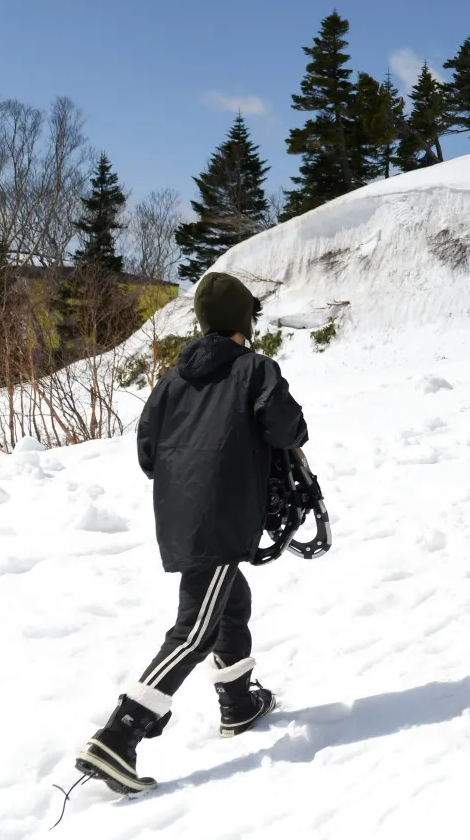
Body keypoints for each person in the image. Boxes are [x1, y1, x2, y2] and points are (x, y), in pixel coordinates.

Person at [74, 273, 308, 795]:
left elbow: (147, 454)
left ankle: (239, 704)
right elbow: (286, 428)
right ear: (243, 321)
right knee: (195, 630)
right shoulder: (254, 369)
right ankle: (120, 734)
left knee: (230, 603)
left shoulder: (172, 379)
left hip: (182, 513)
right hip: (222, 514)